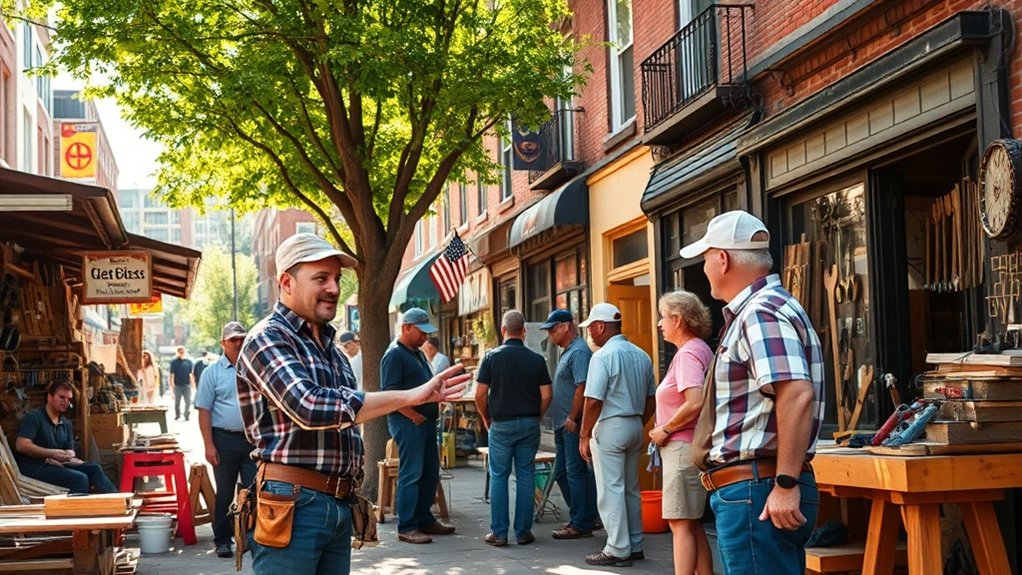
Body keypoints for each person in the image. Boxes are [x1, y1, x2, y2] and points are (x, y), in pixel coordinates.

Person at [237, 232, 469, 575]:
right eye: (321, 278)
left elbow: (350, 414)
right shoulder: (268, 338)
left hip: (336, 504)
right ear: (286, 282)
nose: (333, 287)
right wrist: (413, 395)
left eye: (336, 278)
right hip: (292, 504)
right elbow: (309, 407)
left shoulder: (333, 350)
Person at [680, 210, 825, 575]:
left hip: (756, 488)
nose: (705, 267)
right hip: (757, 487)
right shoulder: (768, 308)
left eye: (706, 258)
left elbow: (795, 392)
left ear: (723, 259)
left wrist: (786, 483)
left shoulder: (760, 312)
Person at [578, 303, 655, 568]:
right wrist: (638, 423)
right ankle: (634, 544)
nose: (590, 333)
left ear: (601, 326)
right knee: (631, 488)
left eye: (591, 327)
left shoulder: (601, 357)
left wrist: (584, 434)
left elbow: (593, 401)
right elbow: (651, 399)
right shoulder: (641, 355)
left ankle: (617, 548)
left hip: (611, 425)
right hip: (634, 424)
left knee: (610, 489)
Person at [649, 291, 715, 575]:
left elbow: (696, 401)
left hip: (682, 447)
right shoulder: (698, 348)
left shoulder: (688, 353)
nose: (660, 324)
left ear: (677, 319)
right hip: (691, 447)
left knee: (679, 522)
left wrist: (665, 428)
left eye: (663, 317)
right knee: (690, 520)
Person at [474, 310, 552, 547]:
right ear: (524, 332)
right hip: (529, 423)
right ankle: (523, 531)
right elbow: (547, 394)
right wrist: (537, 415)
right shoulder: (537, 360)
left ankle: (499, 533)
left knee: (499, 476)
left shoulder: (490, 358)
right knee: (525, 475)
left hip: (501, 423)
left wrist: (486, 417)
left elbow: (479, 394)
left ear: (503, 330)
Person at [380, 307, 456, 544]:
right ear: (406, 328)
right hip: (408, 422)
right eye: (421, 332)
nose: (425, 337)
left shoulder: (417, 352)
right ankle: (407, 525)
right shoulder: (394, 355)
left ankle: (424, 519)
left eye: (427, 332)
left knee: (429, 472)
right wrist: (412, 415)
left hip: (423, 421)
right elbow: (390, 393)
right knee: (412, 474)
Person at [195, 321, 258, 559]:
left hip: (252, 440)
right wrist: (208, 444)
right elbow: (204, 410)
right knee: (224, 492)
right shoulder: (212, 373)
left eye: (241, 338)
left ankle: (252, 538)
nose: (238, 343)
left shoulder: (254, 368)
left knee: (254, 491)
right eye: (233, 339)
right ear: (223, 343)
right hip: (224, 441)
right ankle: (222, 540)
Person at [539, 309, 599, 540]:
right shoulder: (569, 351)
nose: (551, 334)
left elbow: (582, 387)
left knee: (575, 471)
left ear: (566, 326)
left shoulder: (579, 351)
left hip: (571, 422)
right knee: (564, 472)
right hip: (562, 422)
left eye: (553, 329)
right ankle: (586, 515)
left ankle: (581, 522)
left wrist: (573, 418)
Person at [15, 381, 118, 494]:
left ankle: (119, 502)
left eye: (68, 399)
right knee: (80, 478)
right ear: (50, 397)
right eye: (62, 397)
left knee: (94, 468)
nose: (65, 402)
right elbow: (21, 445)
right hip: (35, 468)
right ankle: (75, 511)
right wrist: (51, 453)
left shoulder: (66, 423)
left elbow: (69, 449)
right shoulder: (34, 417)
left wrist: (69, 455)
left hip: (58, 466)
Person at [169, 346, 194, 421]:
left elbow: (191, 374)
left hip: (186, 384)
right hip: (177, 385)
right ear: (177, 352)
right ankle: (177, 415)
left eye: (182, 351)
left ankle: (186, 415)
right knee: (177, 402)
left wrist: (193, 385)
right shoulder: (174, 362)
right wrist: (171, 386)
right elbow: (172, 375)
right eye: (179, 351)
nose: (181, 352)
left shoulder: (188, 362)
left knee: (188, 401)